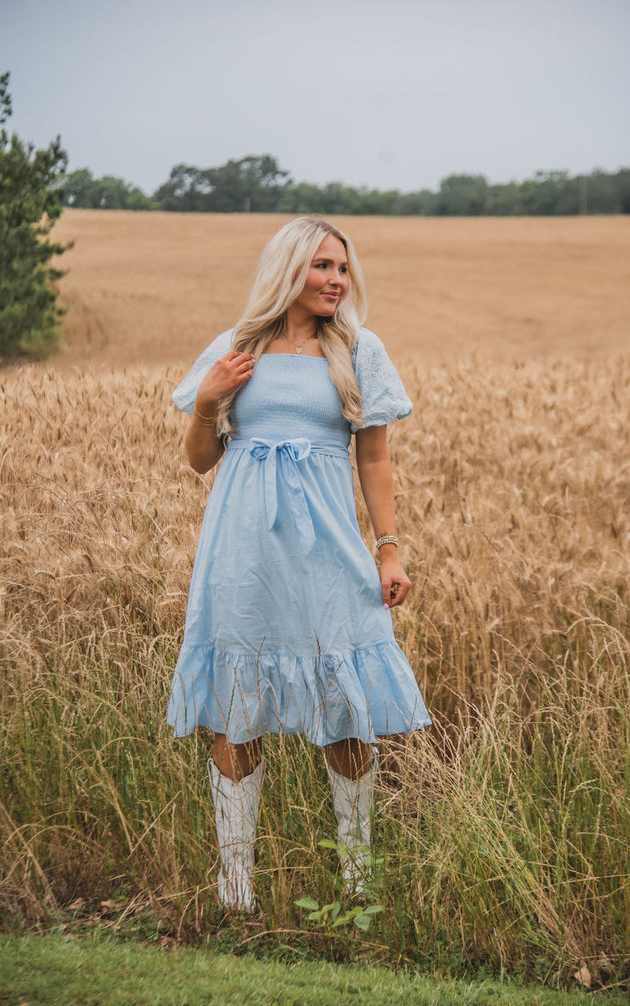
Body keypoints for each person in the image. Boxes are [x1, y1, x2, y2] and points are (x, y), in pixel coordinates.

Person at [168, 216, 431, 911]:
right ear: (287, 270)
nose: (336, 280)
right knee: (235, 711)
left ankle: (357, 886)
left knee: (346, 711)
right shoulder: (234, 349)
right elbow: (200, 460)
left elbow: (373, 457)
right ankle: (236, 893)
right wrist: (205, 400)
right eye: (321, 266)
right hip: (242, 551)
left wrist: (390, 546)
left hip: (328, 554)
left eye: (342, 269)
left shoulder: (358, 350)